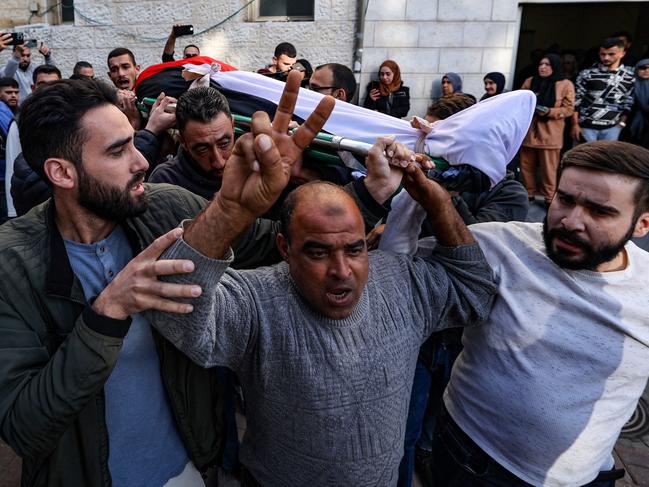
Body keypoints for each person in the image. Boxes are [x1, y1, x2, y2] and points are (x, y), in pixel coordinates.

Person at [145, 72, 497, 486]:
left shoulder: (401, 282)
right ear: (284, 249)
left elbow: (474, 291)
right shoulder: (258, 299)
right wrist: (229, 211)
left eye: (354, 248)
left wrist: (436, 201)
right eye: (316, 252)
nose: (342, 271)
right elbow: (178, 317)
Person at [0, 77, 230, 486]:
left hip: (188, 471)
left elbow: (270, 241)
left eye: (131, 140)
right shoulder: (10, 264)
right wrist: (108, 312)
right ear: (62, 172)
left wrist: (373, 193)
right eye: (117, 150)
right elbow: (24, 427)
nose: (141, 161)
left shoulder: (165, 207)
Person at [381, 140, 649, 487]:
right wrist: (413, 197)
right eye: (565, 199)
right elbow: (397, 277)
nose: (571, 222)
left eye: (600, 211)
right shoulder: (500, 246)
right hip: (470, 462)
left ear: (642, 224)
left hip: (587, 478)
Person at [520, 53, 575, 205]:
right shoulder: (530, 81)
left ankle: (550, 199)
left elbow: (569, 109)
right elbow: (520, 102)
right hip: (529, 133)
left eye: (547, 65)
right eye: (540, 64)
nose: (542, 67)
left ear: (555, 66)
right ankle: (528, 194)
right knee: (526, 166)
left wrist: (550, 112)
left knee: (549, 170)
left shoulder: (565, 84)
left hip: (550, 135)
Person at [572, 37, 635, 142]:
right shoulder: (587, 74)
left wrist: (622, 123)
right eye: (603, 54)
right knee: (584, 157)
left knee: (607, 158)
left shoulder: (630, 76)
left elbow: (629, 102)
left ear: (622, 53)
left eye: (611, 54)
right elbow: (576, 101)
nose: (606, 57)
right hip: (586, 126)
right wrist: (574, 124)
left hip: (613, 127)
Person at [627, 58, 649, 148]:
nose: (647, 70)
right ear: (636, 69)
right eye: (643, 68)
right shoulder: (627, 85)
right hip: (629, 124)